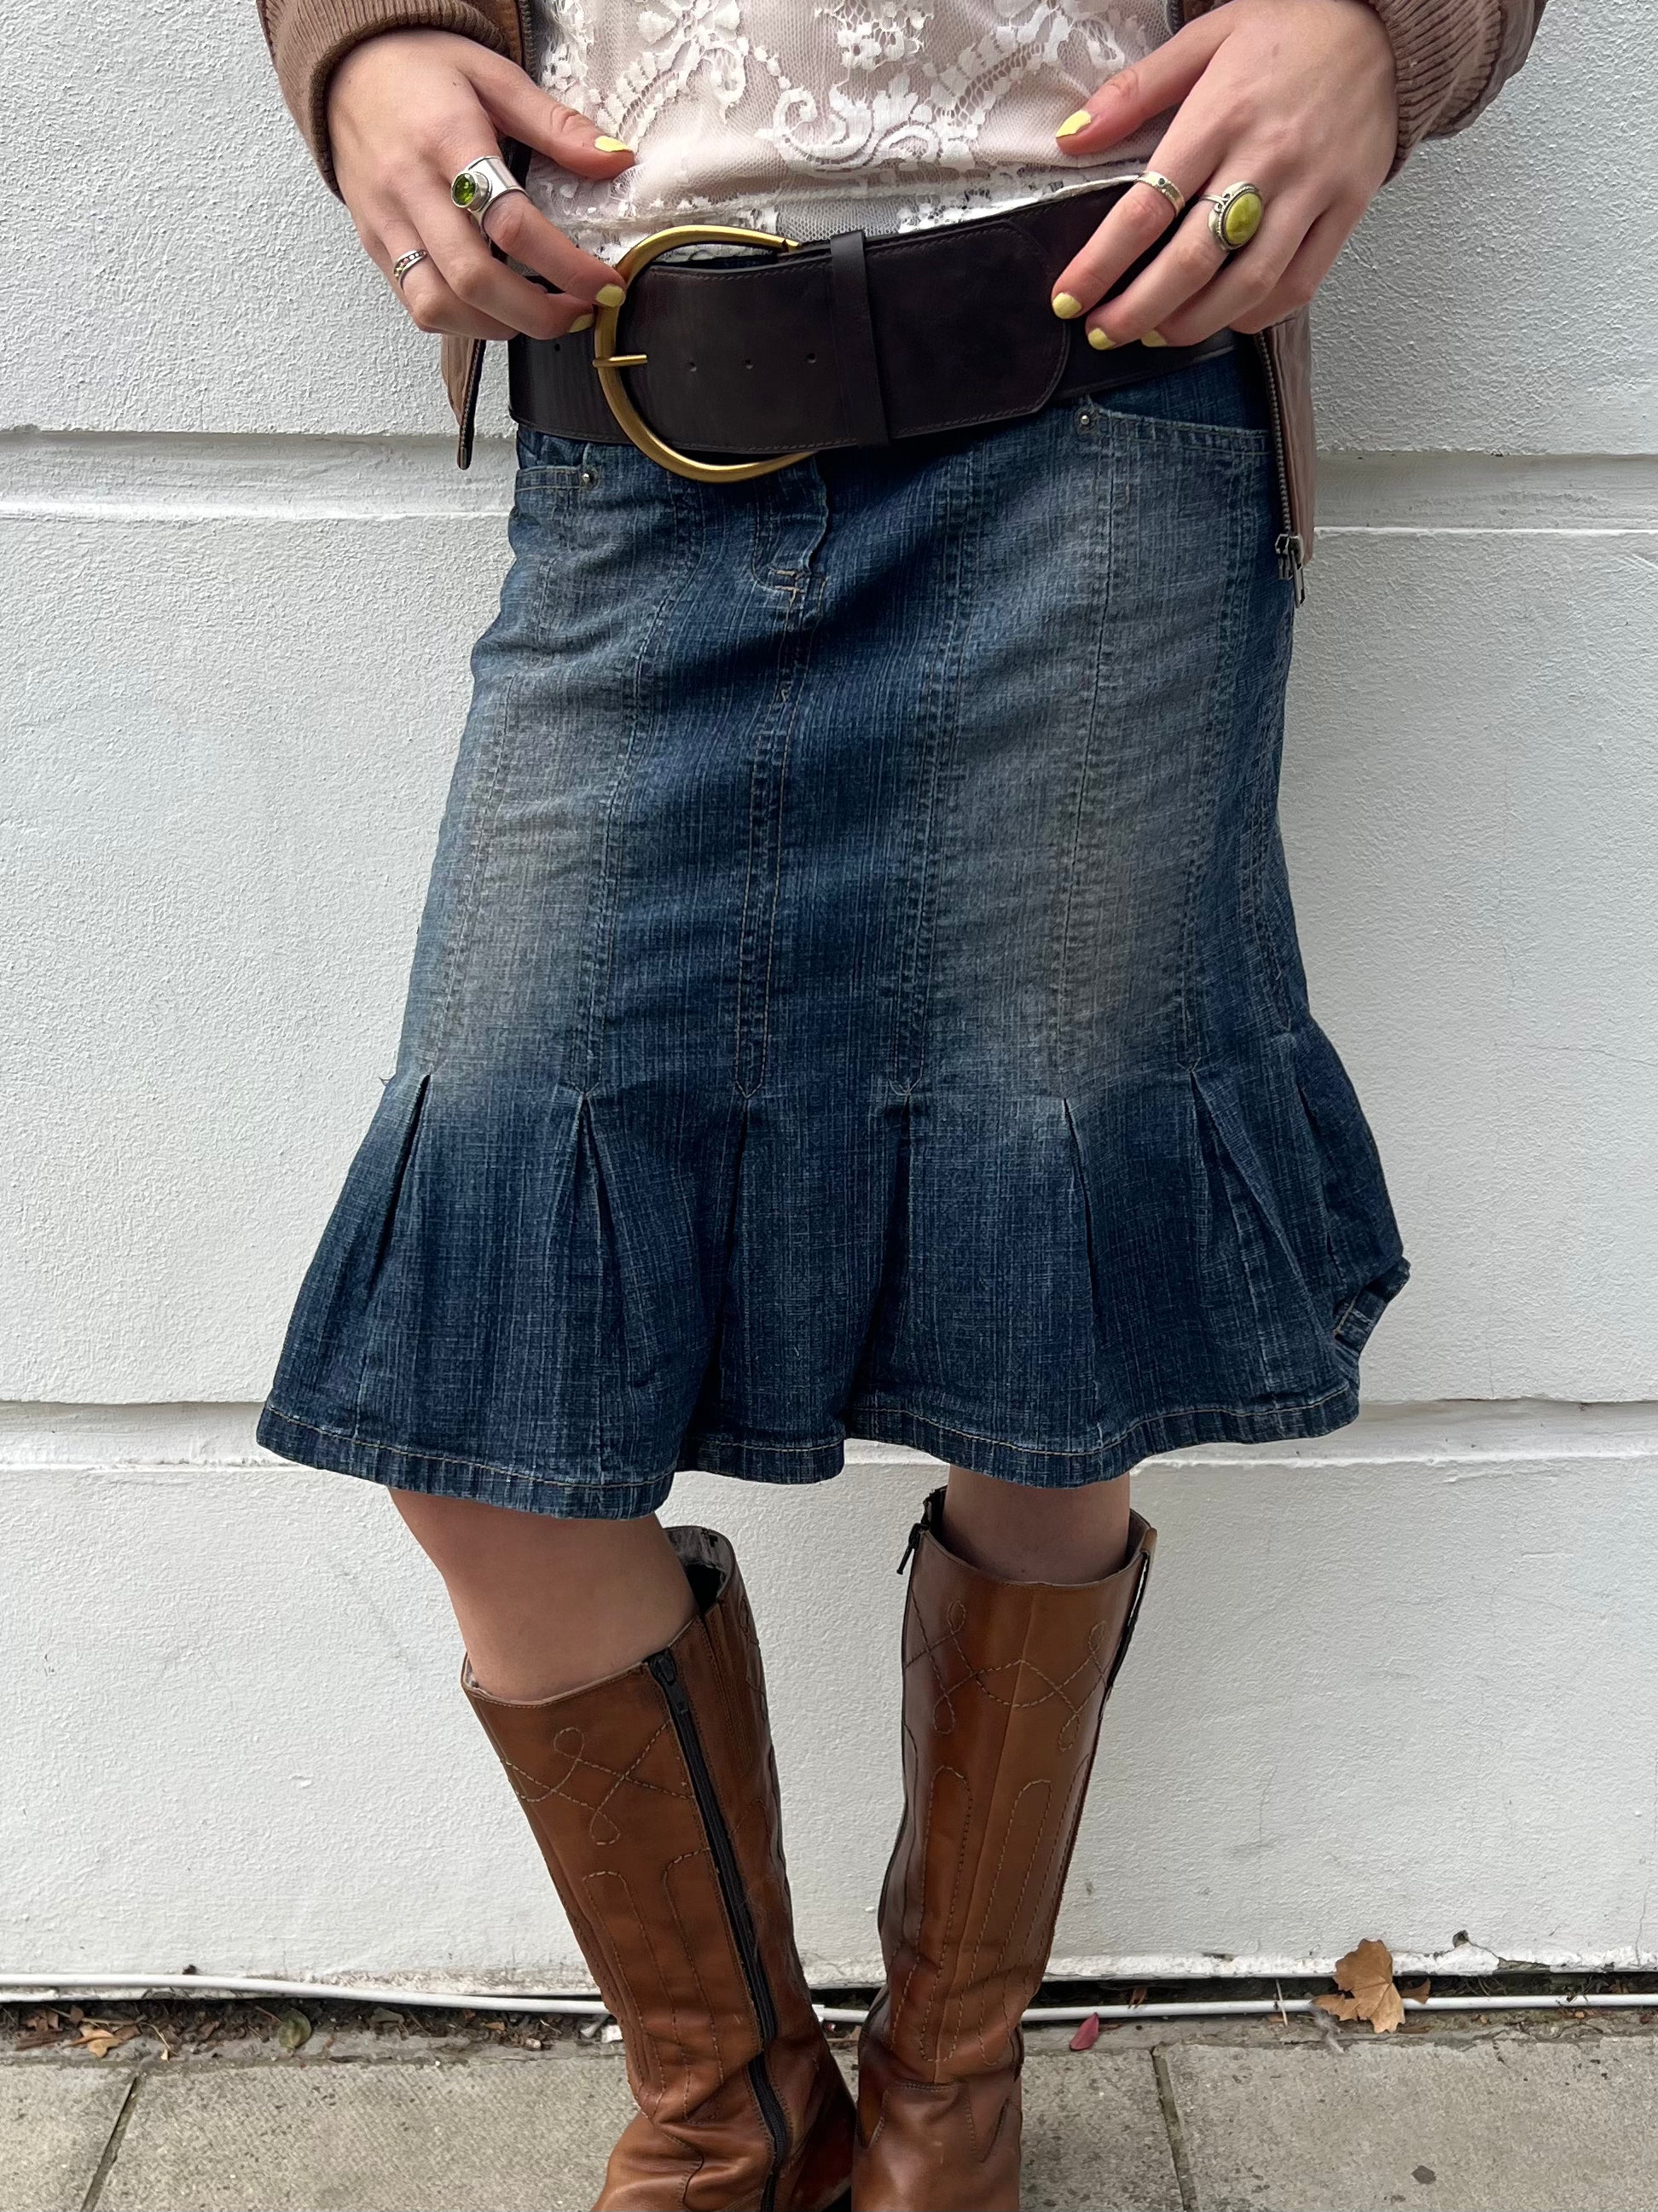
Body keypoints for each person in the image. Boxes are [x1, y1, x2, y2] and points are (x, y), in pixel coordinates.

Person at [252, 3, 1544, 2205]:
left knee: (1048, 1343)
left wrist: (1378, 30)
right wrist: (366, 45)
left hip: (1102, 411)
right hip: (635, 431)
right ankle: (731, 2102)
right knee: (485, 1356)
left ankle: (950, 2080)